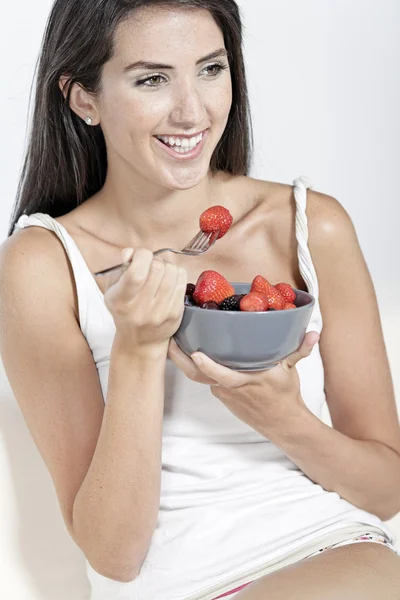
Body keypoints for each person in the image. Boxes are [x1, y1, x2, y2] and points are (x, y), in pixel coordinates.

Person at [1, 1, 399, 598]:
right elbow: (114, 555)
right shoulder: (42, 265)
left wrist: (284, 418)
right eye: (152, 79)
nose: (193, 111)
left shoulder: (310, 225)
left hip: (332, 547)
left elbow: (386, 491)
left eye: (211, 69)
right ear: (83, 98)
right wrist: (137, 350)